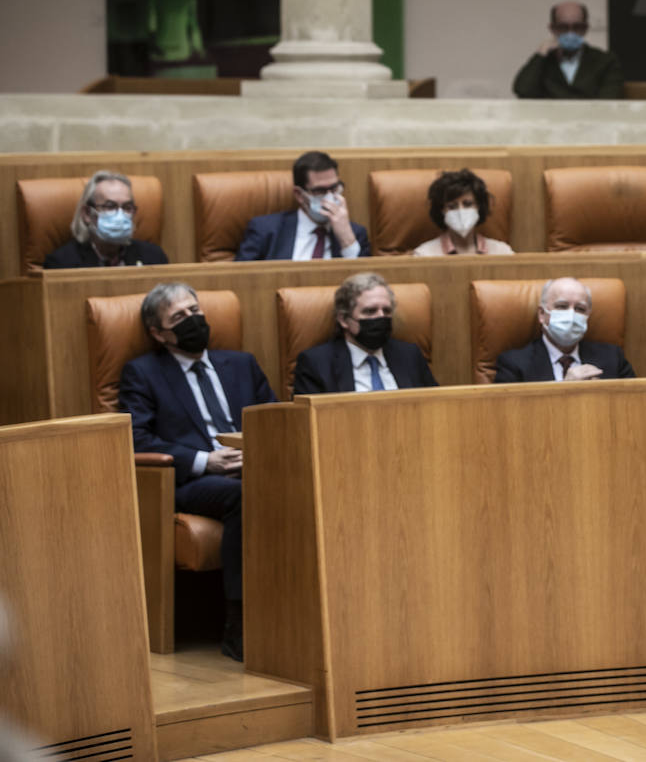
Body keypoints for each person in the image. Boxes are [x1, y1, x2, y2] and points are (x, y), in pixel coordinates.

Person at [119, 282, 278, 662]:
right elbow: (137, 439)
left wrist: (256, 453)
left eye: (194, 310)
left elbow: (275, 421)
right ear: (158, 333)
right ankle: (240, 626)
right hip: (189, 480)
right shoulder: (143, 373)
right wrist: (207, 460)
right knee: (244, 496)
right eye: (179, 317)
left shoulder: (242, 364)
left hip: (254, 468)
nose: (193, 320)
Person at [292, 273, 439, 394]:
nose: (380, 317)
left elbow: (436, 407)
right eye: (370, 311)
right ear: (344, 319)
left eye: (386, 311)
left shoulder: (410, 356)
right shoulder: (316, 364)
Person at [493, 277, 636, 382]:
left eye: (580, 309)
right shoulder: (514, 364)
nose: (571, 315)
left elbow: (634, 407)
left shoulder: (612, 358)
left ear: (587, 316)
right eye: (562, 306)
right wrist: (564, 390)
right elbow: (508, 417)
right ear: (542, 314)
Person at [235, 151, 370, 261]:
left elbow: (366, 286)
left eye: (334, 188)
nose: (329, 197)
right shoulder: (266, 229)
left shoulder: (356, 234)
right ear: (299, 195)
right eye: (320, 191)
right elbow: (241, 279)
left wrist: (346, 239)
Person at [43, 171, 169, 268]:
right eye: (110, 206)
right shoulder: (62, 264)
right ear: (87, 214)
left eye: (127, 207)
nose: (120, 215)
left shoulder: (154, 258)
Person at [512, 1, 625, 99]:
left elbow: (607, 101)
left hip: (590, 121)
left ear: (585, 28)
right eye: (563, 27)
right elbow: (522, 91)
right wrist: (540, 55)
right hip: (550, 122)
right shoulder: (544, 61)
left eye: (577, 27)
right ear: (553, 28)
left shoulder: (606, 61)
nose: (570, 33)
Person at [412, 169, 515, 256]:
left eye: (468, 204)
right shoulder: (425, 255)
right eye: (452, 206)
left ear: (479, 207)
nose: (461, 211)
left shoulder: (502, 252)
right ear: (442, 211)